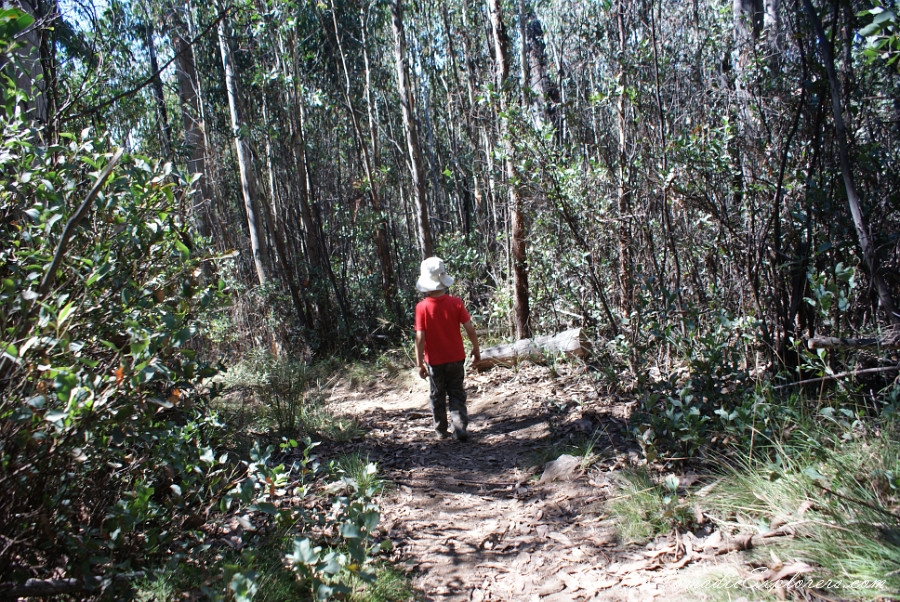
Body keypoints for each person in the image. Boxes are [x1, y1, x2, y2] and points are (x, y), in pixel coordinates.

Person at [414, 257, 481, 441]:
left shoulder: (422, 308)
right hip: (456, 358)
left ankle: (441, 430)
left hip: (435, 362)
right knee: (457, 392)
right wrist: (476, 349)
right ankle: (459, 427)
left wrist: (419, 364)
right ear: (443, 280)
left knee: (437, 395)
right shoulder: (456, 303)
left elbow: (420, 338)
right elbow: (470, 328)